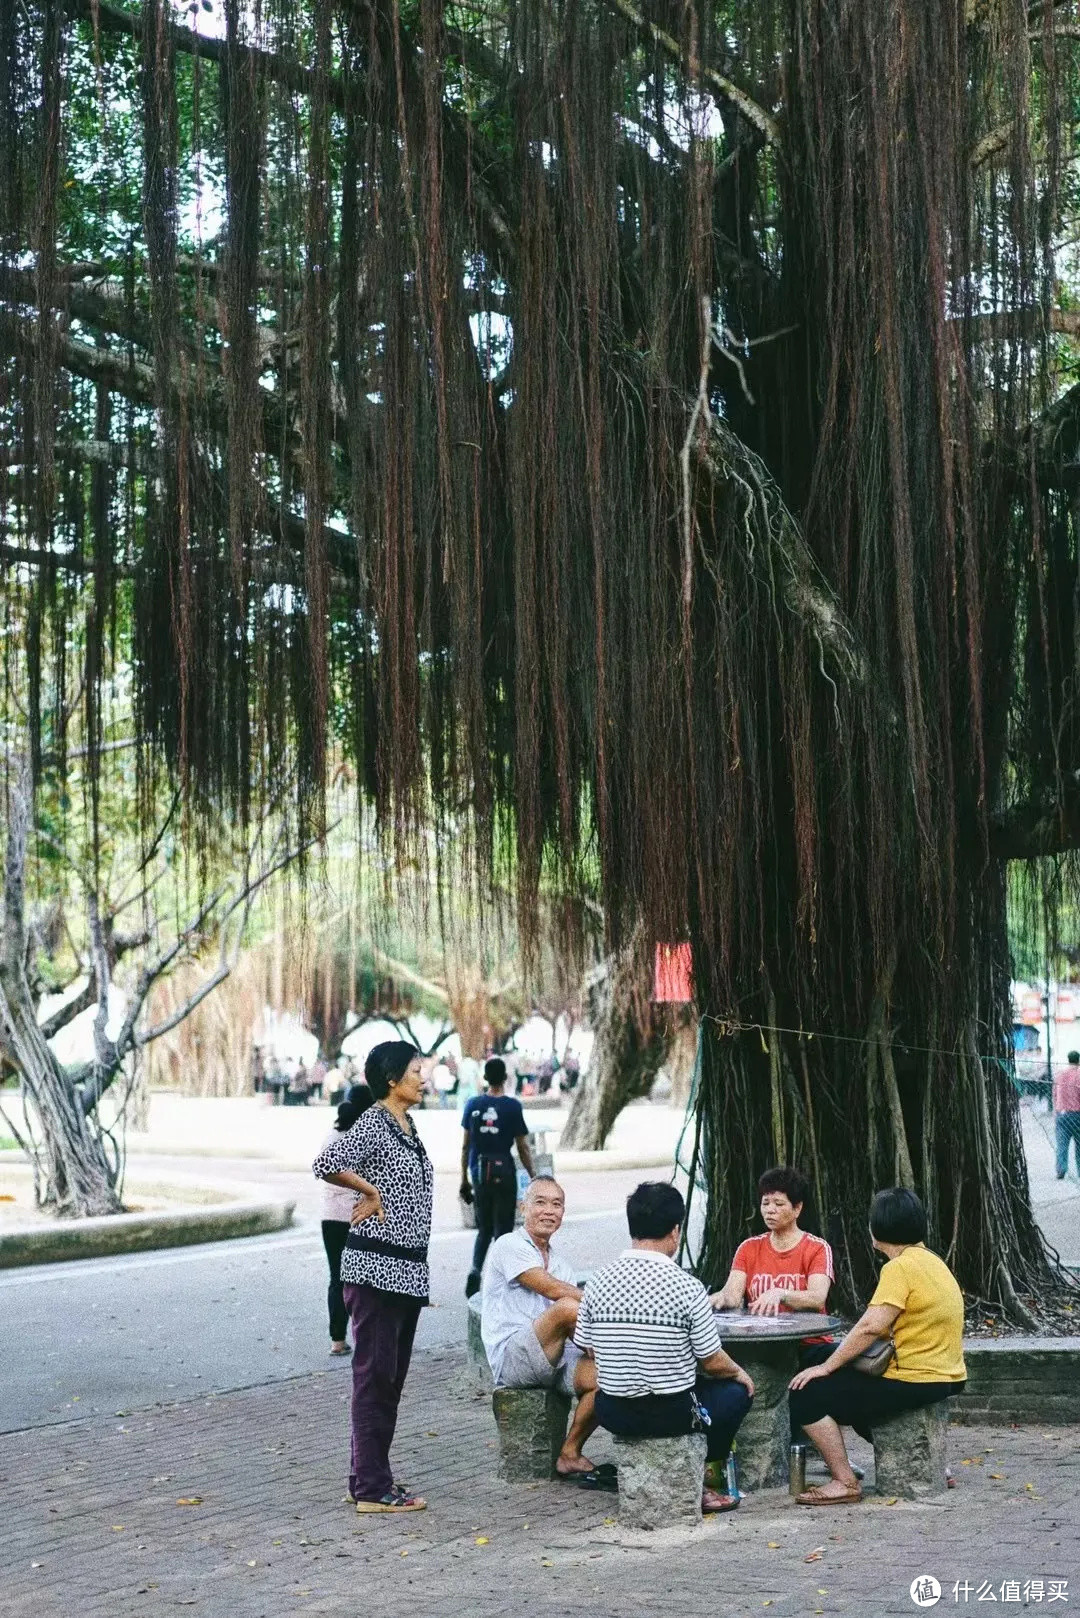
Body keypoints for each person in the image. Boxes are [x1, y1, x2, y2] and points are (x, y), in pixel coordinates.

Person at [574, 1181, 755, 1514]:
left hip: (612, 1409)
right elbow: (712, 1360)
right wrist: (740, 1373)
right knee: (734, 1393)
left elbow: (587, 1346)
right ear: (675, 1231)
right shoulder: (687, 1286)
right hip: (669, 1413)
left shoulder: (597, 1281)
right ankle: (701, 1479)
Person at [788, 1187, 967, 1506]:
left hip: (915, 1378)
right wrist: (827, 1361)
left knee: (805, 1394)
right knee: (821, 1356)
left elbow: (871, 1326)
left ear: (879, 1228)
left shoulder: (898, 1268)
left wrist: (827, 1368)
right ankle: (928, 1461)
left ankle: (844, 1481)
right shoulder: (931, 1260)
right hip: (947, 1374)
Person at [313, 1041, 433, 1514]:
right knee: (374, 1378)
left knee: (389, 1379)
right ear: (391, 1079)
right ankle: (371, 1489)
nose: (424, 1079)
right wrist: (370, 1189)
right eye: (416, 1071)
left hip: (406, 1270)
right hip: (375, 1269)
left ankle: (366, 1476)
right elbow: (326, 1164)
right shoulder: (375, 1122)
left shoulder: (407, 1124)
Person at [481, 1175, 600, 1477]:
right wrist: (601, 1299)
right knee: (568, 1307)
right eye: (540, 1202)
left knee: (612, 1374)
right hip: (513, 1358)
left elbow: (575, 1314)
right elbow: (550, 1289)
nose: (549, 1211)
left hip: (553, 1358)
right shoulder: (509, 1244)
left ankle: (570, 1452)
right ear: (523, 1208)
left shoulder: (561, 1263)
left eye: (557, 1204)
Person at [710, 1165, 833, 1322]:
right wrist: (719, 1298)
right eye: (765, 1203)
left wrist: (781, 1293)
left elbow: (817, 1298)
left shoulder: (817, 1248)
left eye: (779, 1204)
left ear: (797, 1208)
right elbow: (732, 1295)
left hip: (808, 1341)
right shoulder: (748, 1248)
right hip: (762, 1338)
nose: (770, 1210)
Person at [461, 1058, 536, 1297]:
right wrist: (533, 1175)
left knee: (484, 1228)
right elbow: (522, 1146)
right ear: (505, 1078)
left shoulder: (472, 1104)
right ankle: (502, 1279)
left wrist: (464, 1179)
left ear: (485, 1078)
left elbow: (465, 1146)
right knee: (503, 1230)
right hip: (504, 1171)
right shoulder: (512, 1107)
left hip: (480, 1173)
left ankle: (475, 1269)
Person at [317, 1083, 375, 1356]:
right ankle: (364, 1336)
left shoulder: (331, 1136)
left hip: (329, 1217)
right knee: (362, 1278)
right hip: (357, 1215)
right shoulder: (364, 1138)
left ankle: (337, 1341)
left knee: (336, 1278)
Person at [1053, 1049, 1080, 1179]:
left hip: (1061, 1113)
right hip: (1077, 1114)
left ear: (1068, 1059)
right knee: (1079, 1145)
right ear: (1078, 1060)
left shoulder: (1060, 1075)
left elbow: (1054, 1094)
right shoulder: (1079, 1075)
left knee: (1061, 1144)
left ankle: (1061, 1170)